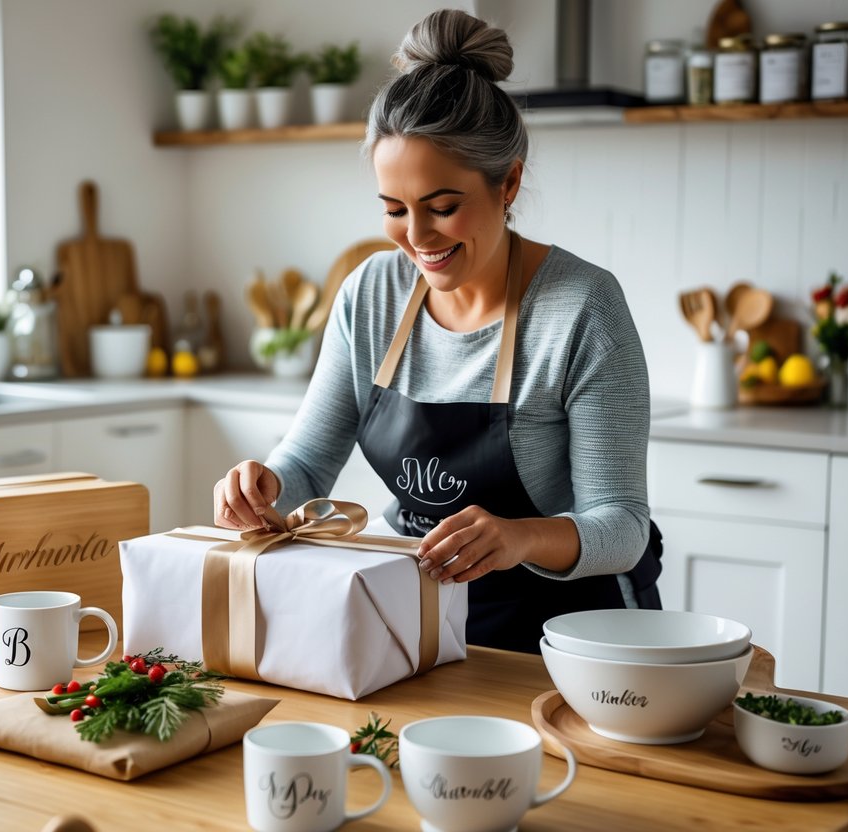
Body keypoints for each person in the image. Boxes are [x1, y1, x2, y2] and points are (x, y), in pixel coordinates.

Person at [212, 9, 662, 654]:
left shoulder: (581, 306)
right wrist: (266, 487)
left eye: (443, 208)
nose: (417, 239)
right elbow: (310, 460)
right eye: (395, 210)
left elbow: (621, 527)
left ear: (508, 181)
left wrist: (517, 536)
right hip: (424, 613)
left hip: (575, 632)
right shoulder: (371, 293)